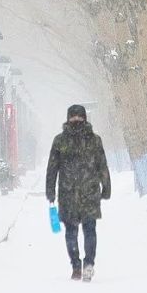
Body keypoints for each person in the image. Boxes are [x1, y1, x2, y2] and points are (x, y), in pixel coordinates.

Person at [45, 104, 111, 282]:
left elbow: (101, 165)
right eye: (74, 117)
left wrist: (106, 187)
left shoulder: (86, 140)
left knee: (82, 230)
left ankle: (84, 265)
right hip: (77, 193)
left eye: (78, 117)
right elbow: (53, 168)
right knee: (78, 231)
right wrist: (50, 191)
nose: (76, 121)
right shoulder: (66, 141)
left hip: (79, 193)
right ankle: (79, 265)